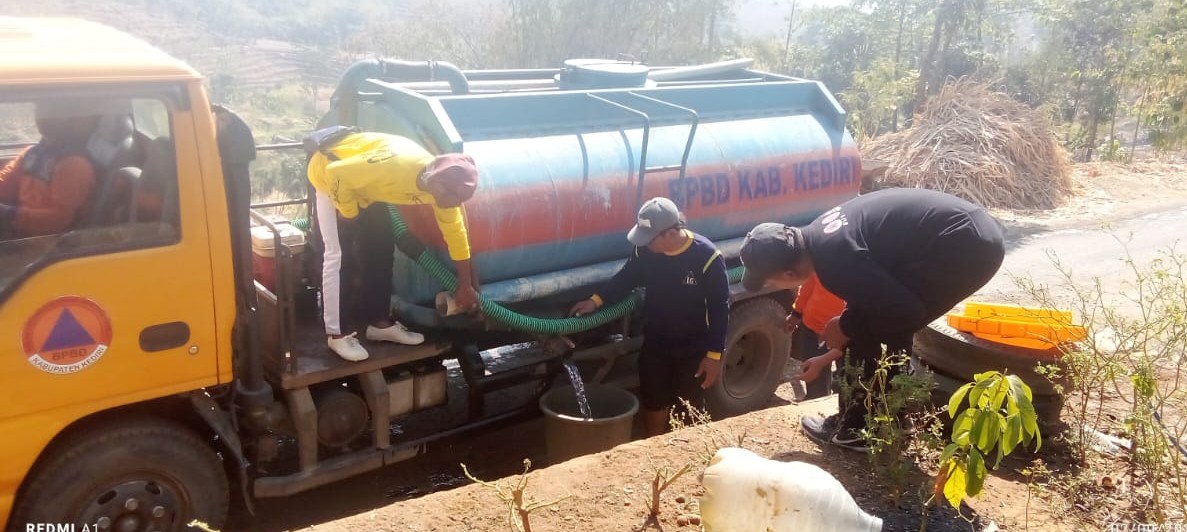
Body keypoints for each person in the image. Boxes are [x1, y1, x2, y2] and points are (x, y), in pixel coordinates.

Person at [738, 188, 1005, 451]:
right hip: (963, 231)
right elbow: (871, 296)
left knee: (887, 321)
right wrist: (846, 326)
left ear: (788, 274)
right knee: (872, 319)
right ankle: (875, 420)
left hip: (965, 246)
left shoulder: (834, 263)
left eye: (772, 281)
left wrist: (845, 325)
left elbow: (902, 310)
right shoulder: (822, 235)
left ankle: (864, 429)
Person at [305, 127, 481, 362]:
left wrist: (465, 285)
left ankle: (379, 323)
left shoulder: (443, 190)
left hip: (367, 187)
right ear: (435, 183)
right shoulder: (396, 165)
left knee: (380, 249)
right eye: (447, 199)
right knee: (338, 256)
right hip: (329, 176)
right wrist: (348, 212)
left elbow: (456, 234)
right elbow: (336, 172)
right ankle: (337, 334)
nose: (449, 205)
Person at [570, 197, 728, 437]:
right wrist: (595, 301)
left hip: (693, 349)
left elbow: (719, 308)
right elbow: (627, 276)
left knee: (689, 409)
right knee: (654, 401)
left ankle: (686, 453)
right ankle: (655, 447)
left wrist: (714, 356)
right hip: (656, 343)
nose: (643, 244)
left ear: (669, 233)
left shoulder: (706, 258)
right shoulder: (646, 251)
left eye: (648, 238)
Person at [0, 100, 100, 240]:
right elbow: (5, 182)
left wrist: (9, 213)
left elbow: (58, 222)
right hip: (20, 228)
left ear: (69, 118)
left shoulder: (75, 164)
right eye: (40, 108)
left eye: (51, 110)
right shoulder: (32, 152)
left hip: (45, 244)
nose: (42, 115)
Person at [788, 273, 845, 400]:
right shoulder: (822, 257)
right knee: (815, 387)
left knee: (848, 384)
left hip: (844, 332)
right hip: (811, 326)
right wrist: (796, 313)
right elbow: (809, 283)